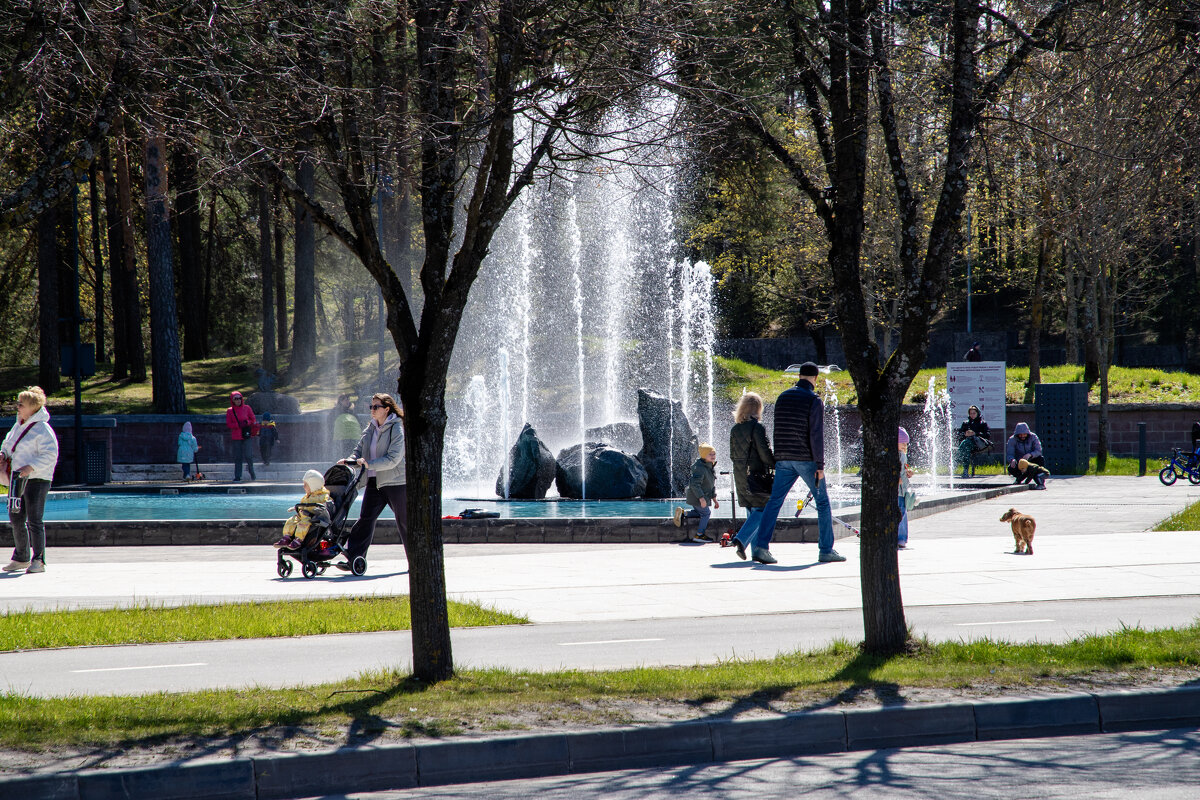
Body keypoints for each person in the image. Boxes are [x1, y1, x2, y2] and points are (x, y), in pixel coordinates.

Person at [751, 362, 843, 564]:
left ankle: (760, 547)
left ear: (799, 375)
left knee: (774, 502)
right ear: (815, 378)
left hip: (783, 458)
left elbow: (777, 429)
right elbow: (816, 435)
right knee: (823, 502)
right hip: (806, 460)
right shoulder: (814, 399)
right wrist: (820, 465)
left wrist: (779, 457)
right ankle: (826, 549)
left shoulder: (782, 397)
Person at [336, 393, 407, 573]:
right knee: (365, 519)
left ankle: (416, 561)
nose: (372, 410)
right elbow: (359, 449)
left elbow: (394, 459)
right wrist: (350, 460)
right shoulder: (371, 428)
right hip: (374, 481)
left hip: (395, 482)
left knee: (405, 522)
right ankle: (355, 558)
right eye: (371, 407)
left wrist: (369, 464)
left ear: (387, 409)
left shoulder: (397, 428)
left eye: (376, 407)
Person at [2, 387, 59, 574]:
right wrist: (3, 453)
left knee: (34, 519)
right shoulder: (18, 424)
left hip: (37, 479)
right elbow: (9, 443)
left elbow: (50, 454)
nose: (17, 407)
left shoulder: (42, 429)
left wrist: (31, 467)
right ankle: (21, 557)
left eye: (21, 404)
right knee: (16, 517)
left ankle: (39, 560)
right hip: (17, 478)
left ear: (33, 408)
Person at [728, 392, 775, 561]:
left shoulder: (735, 428)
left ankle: (756, 551)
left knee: (752, 510)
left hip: (740, 474)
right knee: (763, 510)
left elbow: (732, 455)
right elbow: (765, 454)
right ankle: (742, 539)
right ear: (758, 408)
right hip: (755, 474)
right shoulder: (757, 427)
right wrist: (776, 463)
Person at [274, 469, 331, 551]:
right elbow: (303, 504)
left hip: (312, 517)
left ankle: (298, 539)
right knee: (291, 520)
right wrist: (296, 508)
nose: (303, 486)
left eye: (305, 484)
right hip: (303, 515)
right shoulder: (307, 496)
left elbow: (324, 506)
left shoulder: (322, 497)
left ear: (313, 485)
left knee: (303, 523)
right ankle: (287, 537)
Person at [673, 444, 719, 542]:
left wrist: (714, 499)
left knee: (699, 513)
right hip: (697, 497)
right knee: (706, 513)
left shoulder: (709, 467)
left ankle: (684, 513)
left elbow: (711, 485)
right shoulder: (700, 468)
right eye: (710, 454)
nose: (713, 455)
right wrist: (701, 498)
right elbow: (694, 485)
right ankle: (699, 535)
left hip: (699, 497)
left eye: (714, 453)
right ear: (703, 455)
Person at [1006, 421, 1050, 489]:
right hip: (1020, 462)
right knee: (1011, 467)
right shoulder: (1012, 440)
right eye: (1020, 435)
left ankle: (1040, 482)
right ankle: (1018, 479)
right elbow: (1009, 454)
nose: (1022, 436)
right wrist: (1012, 460)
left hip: (1032, 460)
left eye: (1024, 434)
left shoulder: (1033, 437)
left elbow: (1038, 450)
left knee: (1040, 459)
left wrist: (1030, 454)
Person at [225, 390, 257, 481]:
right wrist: (238, 425)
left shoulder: (247, 408)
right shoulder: (230, 411)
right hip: (236, 437)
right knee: (238, 457)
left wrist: (247, 422)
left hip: (246, 435)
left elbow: (253, 419)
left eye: (240, 398)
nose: (238, 400)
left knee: (249, 455)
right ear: (232, 400)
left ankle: (252, 473)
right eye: (236, 399)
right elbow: (229, 424)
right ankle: (238, 476)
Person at [956, 405, 992, 479]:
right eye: (971, 413)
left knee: (966, 444)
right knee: (966, 444)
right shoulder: (965, 423)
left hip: (978, 444)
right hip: (967, 444)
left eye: (974, 413)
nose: (972, 415)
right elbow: (959, 435)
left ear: (978, 413)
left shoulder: (982, 423)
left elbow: (987, 435)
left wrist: (976, 433)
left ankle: (960, 464)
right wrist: (965, 434)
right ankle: (965, 470)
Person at [897, 427, 915, 549]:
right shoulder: (897, 455)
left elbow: (904, 467)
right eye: (902, 443)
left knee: (902, 512)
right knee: (901, 512)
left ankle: (902, 538)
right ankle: (901, 538)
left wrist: (909, 472)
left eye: (906, 443)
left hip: (902, 489)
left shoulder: (903, 455)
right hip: (898, 489)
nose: (904, 445)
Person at [332, 394, 360, 461]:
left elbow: (358, 422)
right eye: (346, 400)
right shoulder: (335, 412)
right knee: (342, 457)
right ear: (340, 401)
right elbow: (330, 424)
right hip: (341, 438)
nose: (348, 401)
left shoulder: (351, 411)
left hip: (353, 438)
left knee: (351, 456)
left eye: (348, 399)